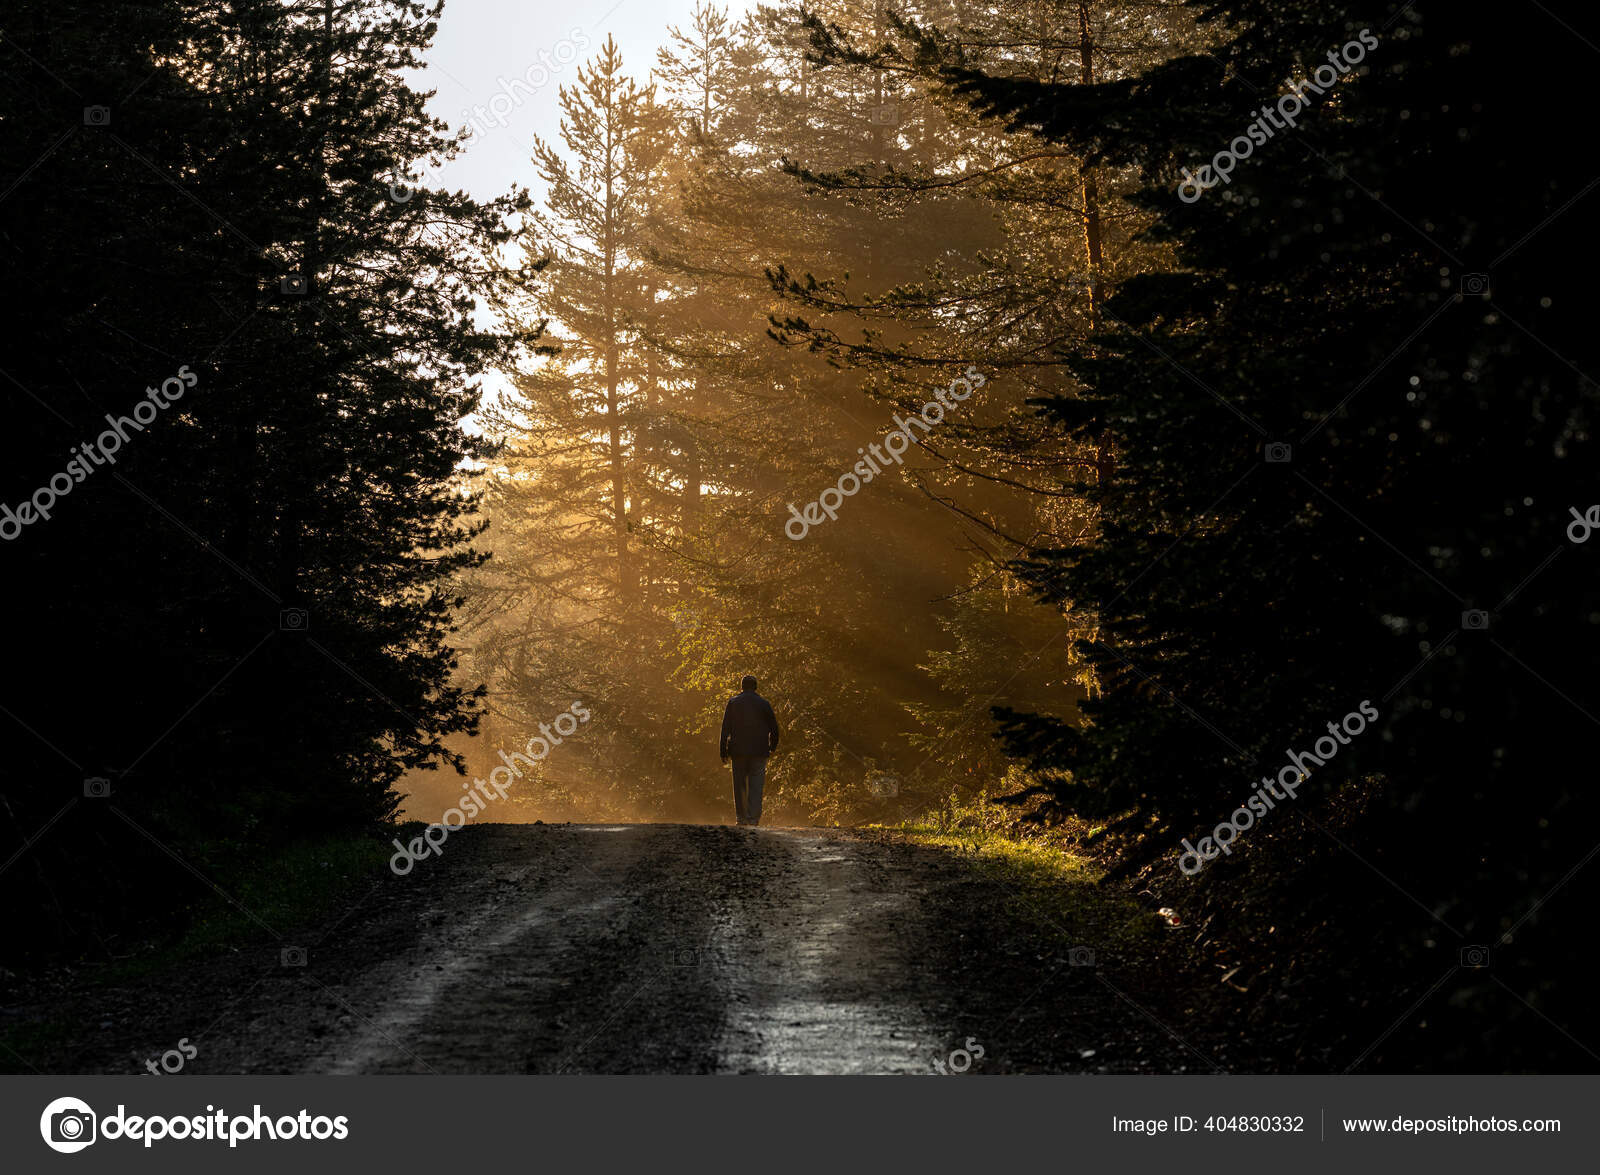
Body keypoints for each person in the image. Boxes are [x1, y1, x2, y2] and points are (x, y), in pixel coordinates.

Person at [719, 674, 780, 826]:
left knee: (739, 785)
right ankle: (753, 818)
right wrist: (772, 747)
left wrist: (723, 750)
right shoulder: (764, 704)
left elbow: (725, 728)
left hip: (738, 751)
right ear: (755, 687)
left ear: (742, 687)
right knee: (756, 785)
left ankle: (741, 818)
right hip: (759, 751)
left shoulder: (733, 703)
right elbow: (774, 728)